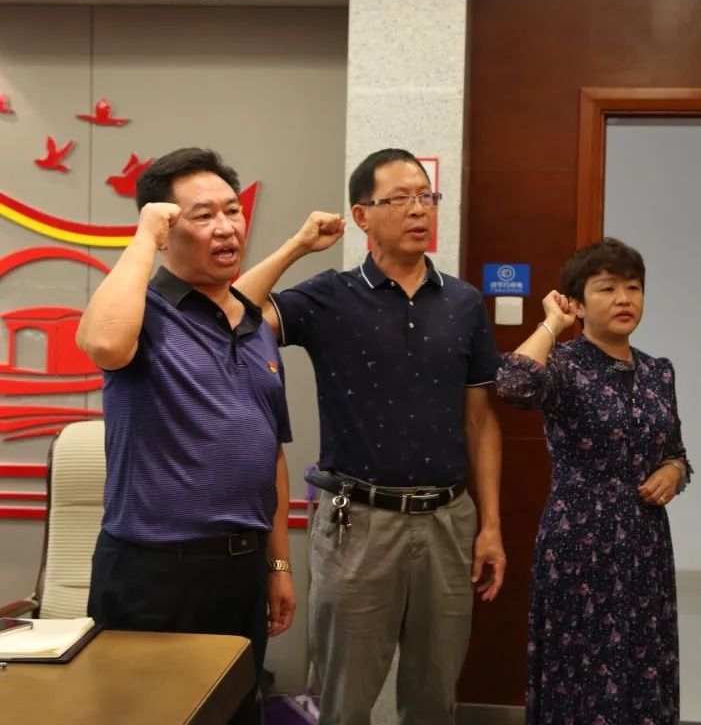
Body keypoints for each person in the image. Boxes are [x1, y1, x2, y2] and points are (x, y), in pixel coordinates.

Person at [234, 147, 506, 725]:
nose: (419, 210)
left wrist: (490, 526)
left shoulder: (463, 303)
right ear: (362, 215)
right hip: (357, 522)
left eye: (427, 197)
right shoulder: (329, 296)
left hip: (447, 521)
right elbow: (233, 315)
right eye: (400, 198)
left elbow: (481, 422)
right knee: (346, 702)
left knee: (434, 700)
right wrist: (296, 246)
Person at [77, 147, 343, 725]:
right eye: (202, 215)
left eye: (232, 210)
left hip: (241, 571)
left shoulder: (251, 325)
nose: (225, 226)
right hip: (153, 572)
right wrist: (142, 238)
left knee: (235, 713)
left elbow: (269, 453)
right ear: (165, 228)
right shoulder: (144, 313)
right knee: (145, 716)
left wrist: (278, 565)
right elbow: (103, 343)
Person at [495, 237, 692, 725]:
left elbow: (676, 452)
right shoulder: (563, 364)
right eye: (607, 288)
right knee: (579, 670)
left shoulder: (658, 372)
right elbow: (513, 384)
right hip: (580, 541)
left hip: (645, 543)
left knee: (643, 664)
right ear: (578, 304)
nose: (625, 299)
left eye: (634, 288)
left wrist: (673, 472)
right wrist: (551, 324)